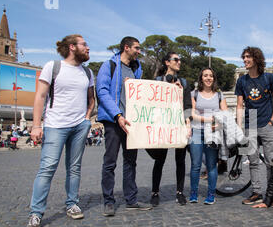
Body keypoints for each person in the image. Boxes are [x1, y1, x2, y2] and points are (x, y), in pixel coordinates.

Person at [26, 34, 95, 227]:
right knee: (47, 169)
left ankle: (72, 204)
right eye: (85, 44)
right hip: (55, 125)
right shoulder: (53, 67)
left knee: (74, 168)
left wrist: (86, 118)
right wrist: (36, 125)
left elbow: (91, 99)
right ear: (72, 47)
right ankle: (36, 213)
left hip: (79, 126)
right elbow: (40, 96)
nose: (88, 48)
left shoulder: (88, 72)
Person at [96, 36, 152, 217]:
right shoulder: (109, 66)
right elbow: (102, 91)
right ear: (126, 48)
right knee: (110, 162)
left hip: (131, 122)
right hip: (113, 121)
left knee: (130, 162)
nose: (139, 51)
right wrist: (117, 115)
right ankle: (108, 201)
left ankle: (131, 199)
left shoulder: (137, 69)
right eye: (136, 48)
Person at [235, 46, 273, 205]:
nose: (245, 60)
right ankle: (256, 192)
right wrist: (239, 127)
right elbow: (240, 105)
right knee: (253, 161)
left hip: (266, 121)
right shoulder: (241, 80)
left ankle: (272, 194)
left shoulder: (269, 77)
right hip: (250, 121)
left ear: (256, 59)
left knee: (271, 161)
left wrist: (272, 121)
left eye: (248, 57)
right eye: (244, 57)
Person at [147, 52, 192, 207]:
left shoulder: (184, 83)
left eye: (180, 60)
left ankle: (180, 192)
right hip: (163, 125)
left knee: (180, 160)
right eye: (176, 60)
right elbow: (151, 103)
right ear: (167, 62)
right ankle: (155, 192)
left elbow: (187, 106)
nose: (179, 62)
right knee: (160, 160)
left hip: (179, 125)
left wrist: (188, 124)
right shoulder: (157, 81)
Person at [189, 68, 228, 205]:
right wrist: (209, 120)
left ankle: (211, 194)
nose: (208, 78)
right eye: (205, 75)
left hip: (213, 132)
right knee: (195, 165)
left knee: (211, 165)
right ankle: (193, 192)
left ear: (214, 78)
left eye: (211, 76)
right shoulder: (194, 94)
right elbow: (192, 114)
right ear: (201, 78)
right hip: (197, 131)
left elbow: (225, 112)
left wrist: (217, 122)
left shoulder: (219, 95)